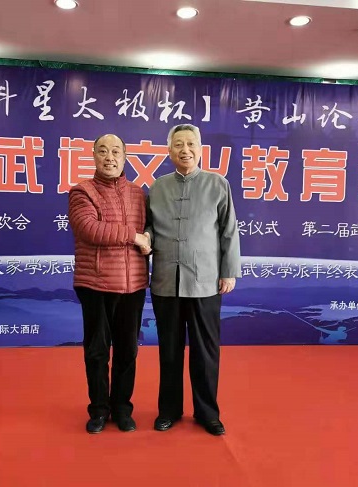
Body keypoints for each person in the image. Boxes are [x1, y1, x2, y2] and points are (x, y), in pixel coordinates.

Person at [144, 123, 241, 436]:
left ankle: (207, 413)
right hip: (166, 282)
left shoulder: (217, 184)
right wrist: (146, 238)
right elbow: (148, 228)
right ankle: (169, 410)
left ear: (200, 149)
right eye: (178, 145)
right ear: (169, 151)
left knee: (205, 351)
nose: (185, 150)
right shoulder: (157, 187)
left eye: (190, 144)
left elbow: (229, 230)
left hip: (205, 282)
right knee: (169, 351)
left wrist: (229, 271)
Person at [69, 134, 151, 434]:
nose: (109, 157)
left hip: (134, 285)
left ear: (125, 156)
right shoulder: (82, 191)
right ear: (93, 156)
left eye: (116, 151)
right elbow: (89, 228)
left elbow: (151, 228)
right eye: (102, 151)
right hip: (96, 283)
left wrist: (149, 237)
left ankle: (122, 409)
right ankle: (99, 410)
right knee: (97, 351)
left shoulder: (139, 193)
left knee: (128, 351)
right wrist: (134, 236)